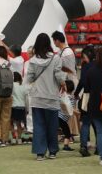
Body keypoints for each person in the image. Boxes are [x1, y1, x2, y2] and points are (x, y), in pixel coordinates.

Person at [27, 33, 66, 161]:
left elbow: (30, 78)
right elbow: (59, 76)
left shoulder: (32, 61)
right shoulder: (55, 59)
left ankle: (40, 153)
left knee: (38, 126)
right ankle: (53, 151)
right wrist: (63, 84)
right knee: (52, 126)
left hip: (37, 97)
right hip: (52, 97)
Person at [75, 45, 96, 157]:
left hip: (87, 96)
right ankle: (100, 147)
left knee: (86, 123)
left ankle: (83, 146)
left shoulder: (85, 67)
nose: (83, 59)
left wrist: (76, 93)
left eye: (83, 56)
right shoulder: (100, 65)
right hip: (98, 96)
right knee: (98, 123)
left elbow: (82, 82)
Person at [11, 72, 29, 145]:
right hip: (22, 107)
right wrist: (27, 109)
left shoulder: (11, 86)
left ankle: (14, 138)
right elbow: (26, 99)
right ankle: (19, 139)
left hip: (13, 107)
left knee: (10, 123)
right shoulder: (23, 86)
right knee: (19, 124)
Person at [59, 80, 76, 152]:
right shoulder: (71, 98)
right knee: (67, 132)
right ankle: (66, 146)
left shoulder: (62, 96)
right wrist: (77, 113)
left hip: (57, 116)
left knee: (58, 131)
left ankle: (65, 145)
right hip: (62, 118)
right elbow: (71, 109)